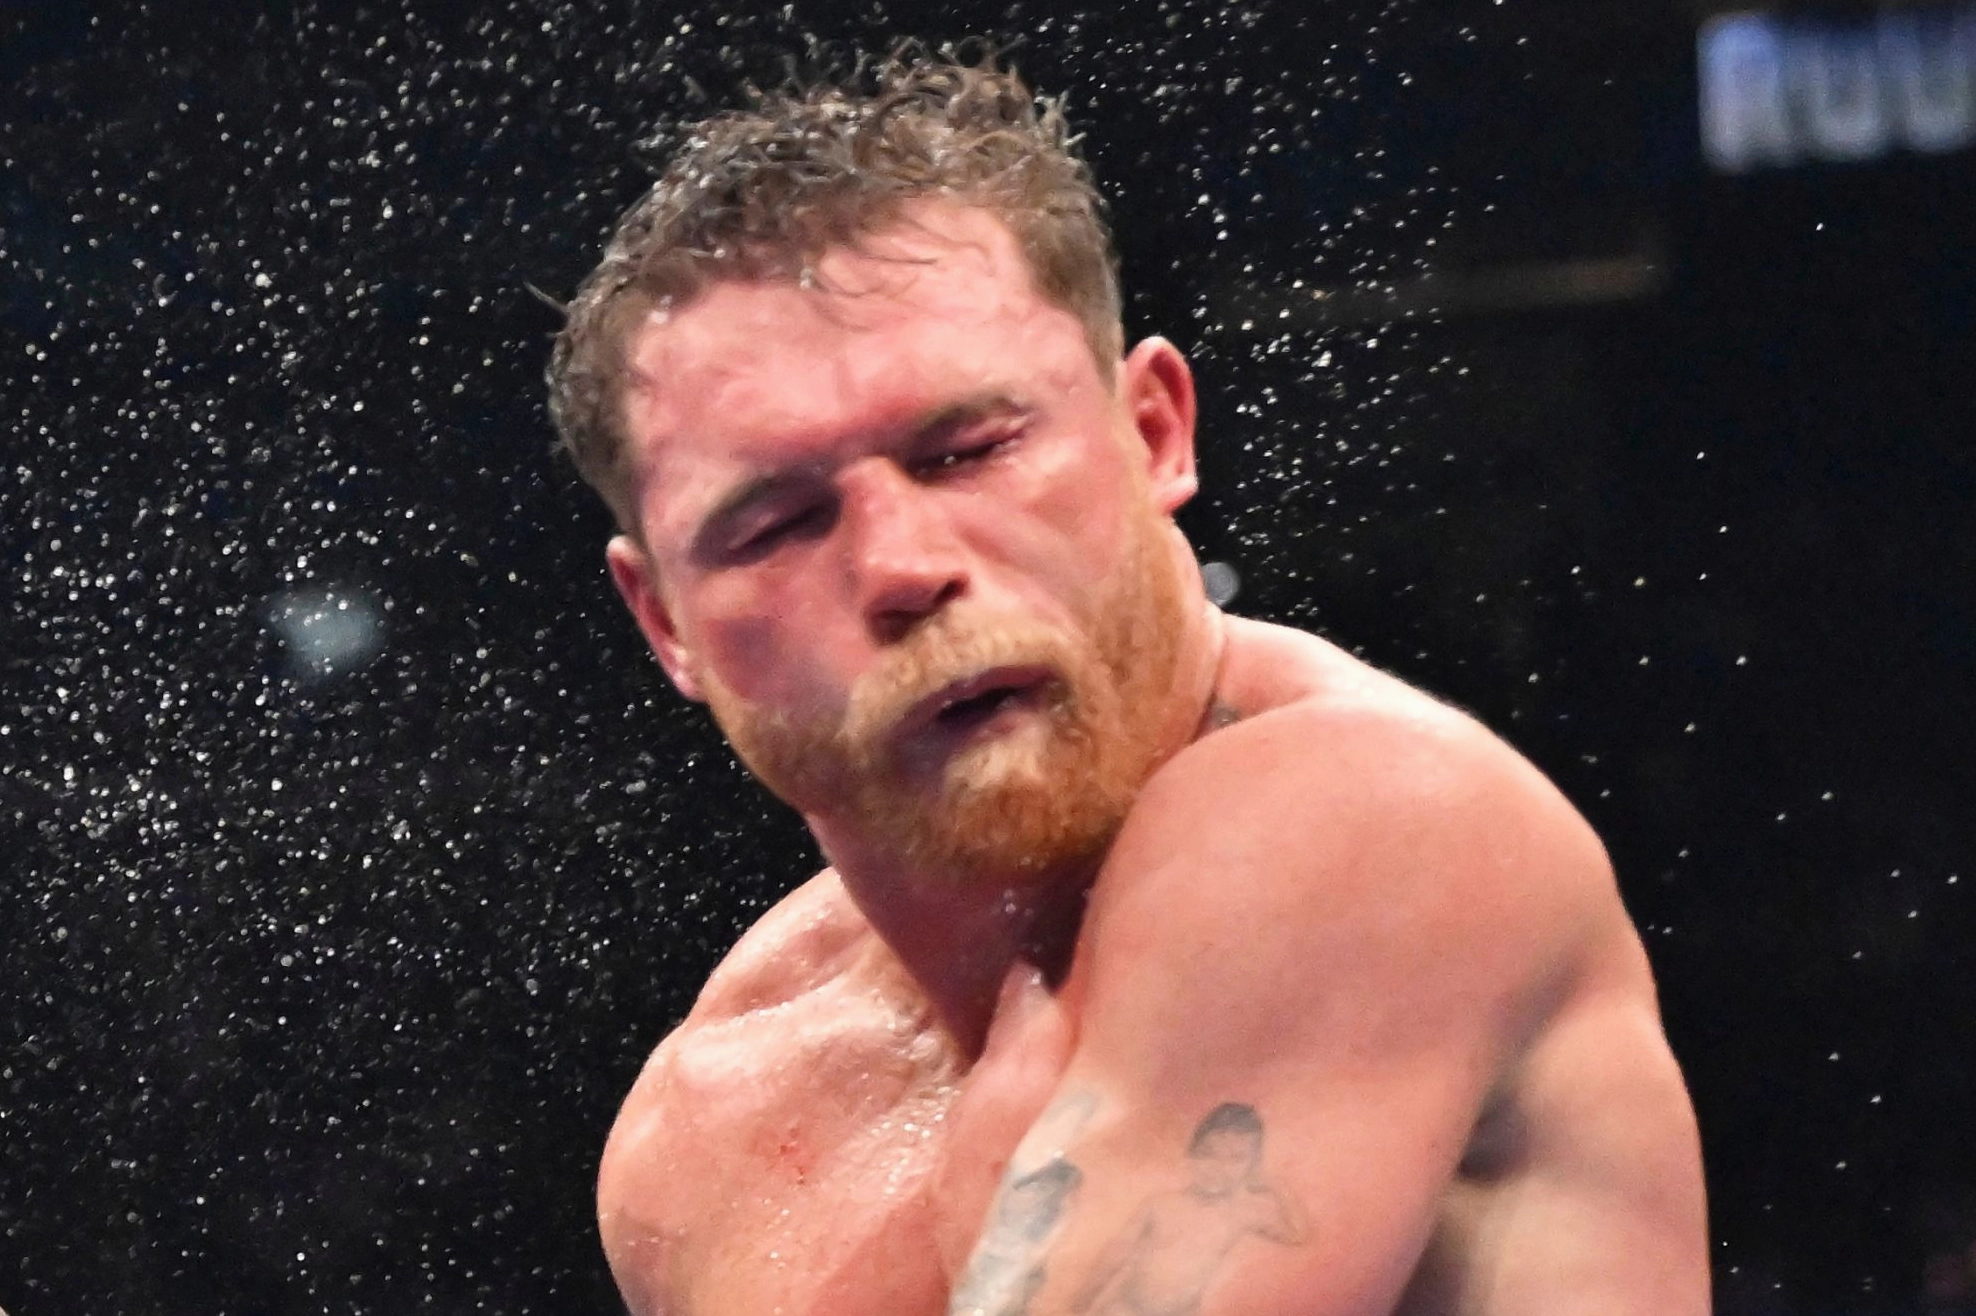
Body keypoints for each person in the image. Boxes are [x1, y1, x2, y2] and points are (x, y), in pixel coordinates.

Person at [546, 50, 1708, 1316]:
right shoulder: (712, 1122)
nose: (901, 565)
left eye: (969, 449)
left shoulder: (1363, 815)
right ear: (664, 620)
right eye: (774, 523)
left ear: (1153, 430)